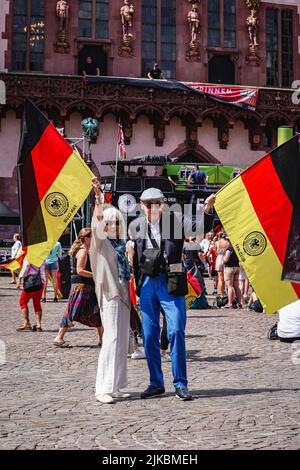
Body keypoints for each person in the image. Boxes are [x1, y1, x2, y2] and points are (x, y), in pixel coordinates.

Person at [131, 187, 215, 401]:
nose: (152, 208)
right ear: (142, 206)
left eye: (156, 203)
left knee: (176, 330)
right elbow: (136, 259)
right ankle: (156, 383)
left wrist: (208, 208)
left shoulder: (175, 220)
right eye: (148, 204)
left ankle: (180, 384)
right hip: (149, 283)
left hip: (171, 280)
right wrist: (139, 287)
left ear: (163, 204)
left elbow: (200, 227)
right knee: (149, 335)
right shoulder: (137, 226)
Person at [91, 177, 131, 404]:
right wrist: (98, 195)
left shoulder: (121, 245)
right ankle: (103, 387)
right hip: (110, 294)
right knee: (112, 339)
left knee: (122, 340)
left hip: (124, 295)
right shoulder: (101, 242)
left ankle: (116, 385)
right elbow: (96, 222)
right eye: (110, 222)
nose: (114, 226)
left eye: (117, 222)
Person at [53, 228, 103, 348]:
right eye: (92, 237)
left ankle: (103, 339)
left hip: (85, 286)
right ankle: (59, 337)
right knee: (72, 312)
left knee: (96, 312)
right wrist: (97, 275)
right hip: (82, 286)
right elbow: (80, 270)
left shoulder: (85, 249)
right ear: (86, 238)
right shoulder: (83, 251)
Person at [16, 257, 46, 332]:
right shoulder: (42, 257)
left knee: (22, 301)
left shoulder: (30, 255)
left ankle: (26, 323)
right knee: (37, 303)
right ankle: (38, 325)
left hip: (30, 282)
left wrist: (19, 278)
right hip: (40, 283)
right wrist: (43, 282)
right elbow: (43, 271)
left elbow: (26, 266)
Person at [223, 243, 242, 309]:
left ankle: (230, 303)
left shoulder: (230, 248)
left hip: (229, 268)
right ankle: (239, 303)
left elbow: (226, 259)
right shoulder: (238, 247)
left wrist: (223, 259)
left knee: (229, 286)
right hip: (237, 267)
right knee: (236, 286)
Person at [215, 232, 229, 297]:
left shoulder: (217, 243)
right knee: (227, 277)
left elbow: (215, 252)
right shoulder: (227, 243)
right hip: (226, 258)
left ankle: (221, 294)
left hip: (219, 259)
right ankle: (227, 292)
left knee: (220, 278)